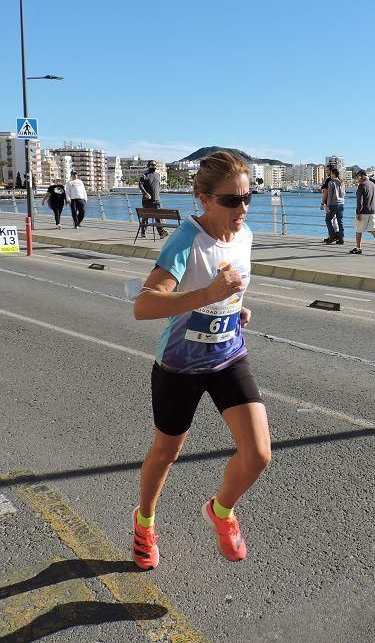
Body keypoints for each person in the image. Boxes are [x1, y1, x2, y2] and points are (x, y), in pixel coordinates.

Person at [131, 151, 268, 569]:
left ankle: (221, 511)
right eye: (231, 200)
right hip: (180, 366)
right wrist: (208, 295)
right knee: (165, 452)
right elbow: (144, 305)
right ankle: (145, 522)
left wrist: (234, 308)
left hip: (228, 356)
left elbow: (230, 290)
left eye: (248, 197)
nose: (241, 208)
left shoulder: (244, 237)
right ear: (204, 199)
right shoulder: (185, 240)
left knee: (258, 455)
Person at [349, 170, 375, 256]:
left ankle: (358, 248)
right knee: (373, 230)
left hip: (363, 212)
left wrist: (358, 212)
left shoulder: (361, 185)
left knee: (358, 230)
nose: (357, 179)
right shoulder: (373, 185)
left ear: (361, 176)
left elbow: (360, 200)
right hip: (372, 211)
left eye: (357, 177)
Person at [138, 160, 168, 239]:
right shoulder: (144, 175)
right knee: (145, 217)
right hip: (147, 200)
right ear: (148, 165)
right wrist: (145, 193)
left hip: (157, 200)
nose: (153, 166)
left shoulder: (158, 175)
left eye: (154, 165)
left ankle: (161, 232)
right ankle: (143, 231)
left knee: (157, 217)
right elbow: (140, 185)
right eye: (151, 165)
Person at [319, 165, 345, 245]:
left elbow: (329, 194)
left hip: (333, 204)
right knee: (340, 221)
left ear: (332, 173)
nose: (327, 173)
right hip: (341, 204)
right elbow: (344, 194)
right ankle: (341, 238)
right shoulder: (342, 182)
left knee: (327, 220)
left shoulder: (331, 182)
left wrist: (327, 205)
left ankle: (332, 235)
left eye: (328, 171)